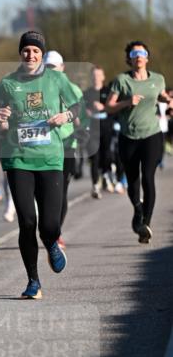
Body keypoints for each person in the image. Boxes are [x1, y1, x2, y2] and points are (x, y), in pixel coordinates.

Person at [0, 31, 82, 300]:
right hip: (18, 159)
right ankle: (33, 281)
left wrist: (66, 115)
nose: (30, 55)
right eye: (26, 50)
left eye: (35, 51)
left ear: (42, 54)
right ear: (20, 53)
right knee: (27, 221)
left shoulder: (56, 79)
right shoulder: (7, 84)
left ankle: (52, 242)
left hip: (51, 159)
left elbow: (78, 106)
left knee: (49, 224)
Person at [105, 41, 170, 243]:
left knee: (148, 177)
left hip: (151, 134)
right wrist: (127, 102)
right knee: (132, 178)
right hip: (128, 136)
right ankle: (137, 209)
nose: (138, 56)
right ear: (129, 58)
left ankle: (145, 225)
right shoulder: (122, 80)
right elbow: (109, 107)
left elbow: (161, 96)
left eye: (142, 52)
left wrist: (168, 101)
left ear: (147, 58)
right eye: (134, 53)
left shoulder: (158, 79)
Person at [42, 51, 84, 246]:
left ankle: (55, 233)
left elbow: (80, 116)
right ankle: (48, 228)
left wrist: (74, 120)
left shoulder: (72, 89)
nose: (51, 70)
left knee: (60, 192)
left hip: (66, 146)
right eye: (47, 67)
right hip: (43, 145)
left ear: (62, 67)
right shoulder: (36, 87)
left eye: (54, 67)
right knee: (43, 193)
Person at [84, 66, 114, 198]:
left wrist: (104, 107)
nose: (96, 77)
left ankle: (106, 175)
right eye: (94, 75)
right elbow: (81, 110)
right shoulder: (87, 93)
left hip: (106, 126)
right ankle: (95, 185)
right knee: (94, 156)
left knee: (106, 155)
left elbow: (114, 108)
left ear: (103, 77)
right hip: (92, 127)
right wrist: (88, 111)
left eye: (98, 75)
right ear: (92, 77)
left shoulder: (108, 91)